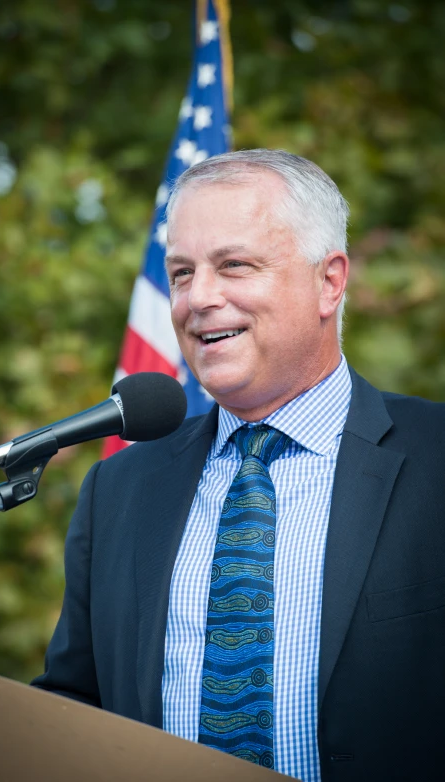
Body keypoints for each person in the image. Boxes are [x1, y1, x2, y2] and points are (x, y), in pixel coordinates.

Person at [32, 150, 445, 782]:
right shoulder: (119, 487)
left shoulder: (435, 458)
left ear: (329, 282)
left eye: (234, 266)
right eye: (180, 273)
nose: (199, 298)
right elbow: (74, 705)